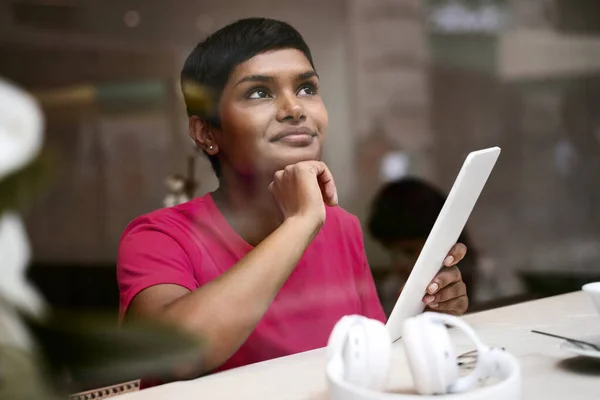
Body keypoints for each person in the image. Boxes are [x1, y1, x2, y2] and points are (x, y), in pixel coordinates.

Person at [116, 18, 469, 381]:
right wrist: (300, 224)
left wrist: (426, 320)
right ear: (206, 132)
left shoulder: (339, 226)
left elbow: (368, 366)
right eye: (258, 93)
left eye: (305, 88)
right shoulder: (158, 237)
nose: (294, 109)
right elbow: (169, 356)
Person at [368, 177, 476, 314]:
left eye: (409, 252)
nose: (398, 265)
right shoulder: (390, 289)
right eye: (392, 253)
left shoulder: (482, 277)